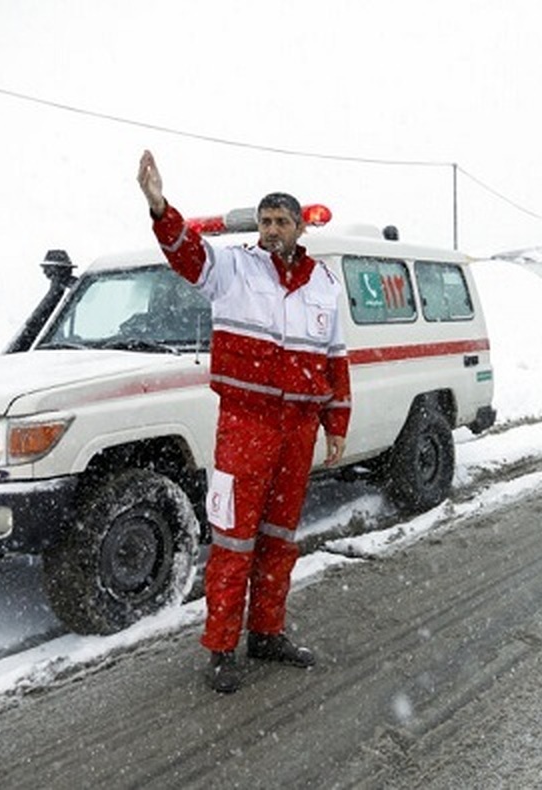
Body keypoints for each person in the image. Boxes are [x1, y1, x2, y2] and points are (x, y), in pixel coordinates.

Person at [136, 150, 351, 694]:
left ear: (300, 227)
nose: (272, 229)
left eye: (282, 221)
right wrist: (160, 205)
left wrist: (336, 422)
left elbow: (334, 361)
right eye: (265, 221)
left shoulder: (324, 283)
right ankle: (220, 648)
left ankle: (268, 633)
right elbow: (186, 254)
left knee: (280, 538)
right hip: (245, 425)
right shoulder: (232, 268)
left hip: (299, 428)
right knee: (234, 541)